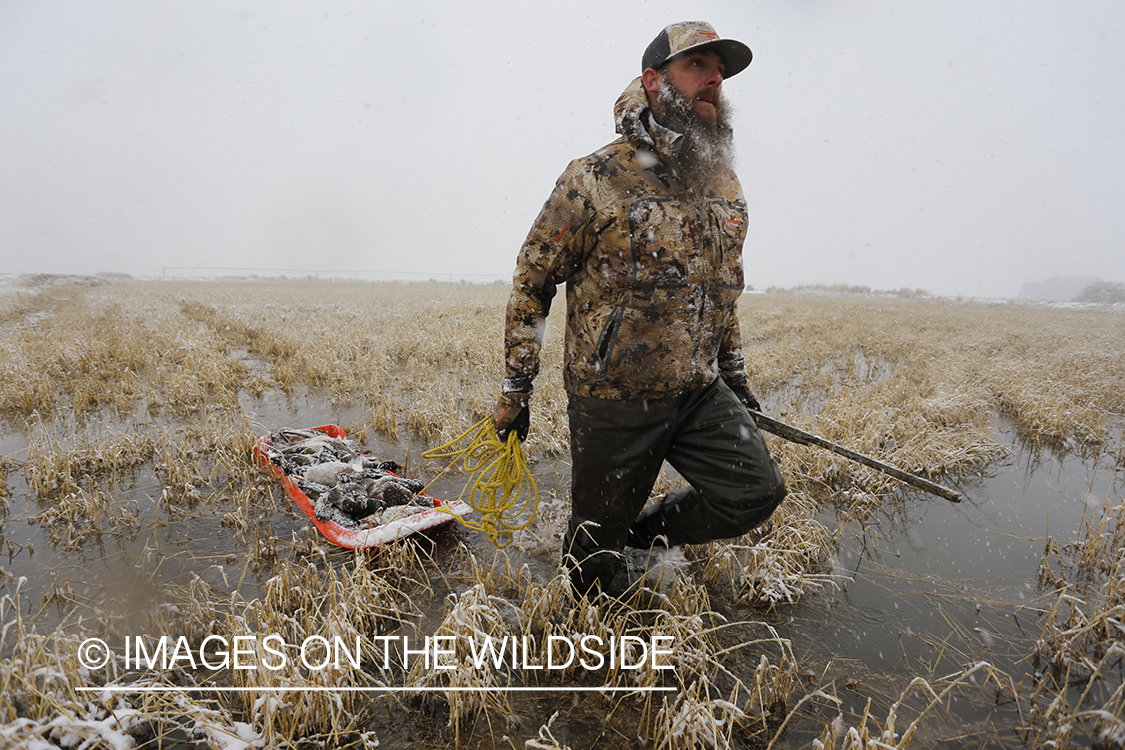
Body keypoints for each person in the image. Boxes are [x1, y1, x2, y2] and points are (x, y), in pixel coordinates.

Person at [495, 21, 787, 597]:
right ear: (653, 80)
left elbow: (722, 293)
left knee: (754, 492)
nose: (715, 81)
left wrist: (735, 378)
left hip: (698, 390)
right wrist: (515, 391)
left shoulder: (723, 183)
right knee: (591, 576)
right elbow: (531, 283)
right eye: (697, 67)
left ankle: (636, 538)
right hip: (614, 399)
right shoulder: (595, 178)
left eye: (719, 72)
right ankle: (589, 618)